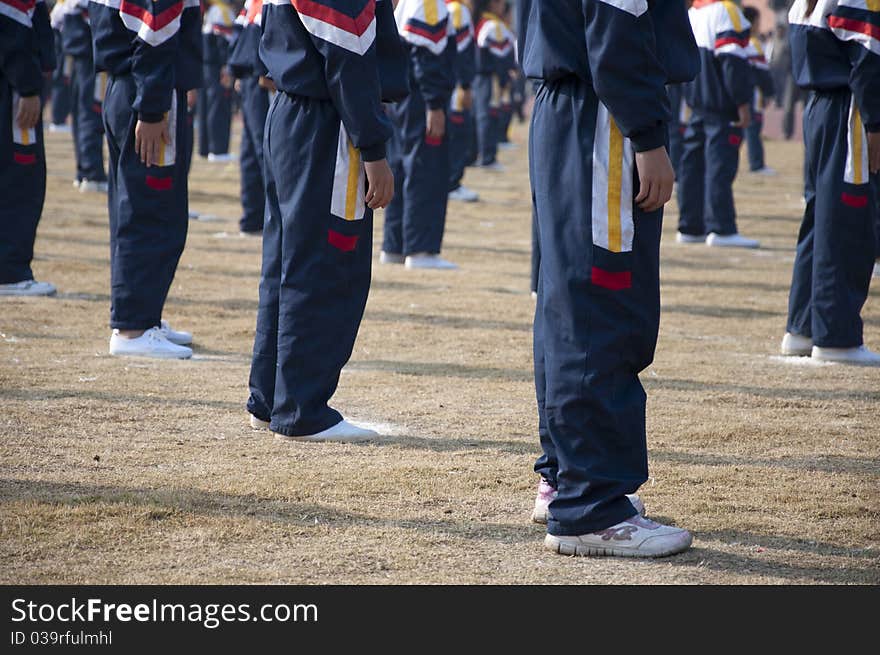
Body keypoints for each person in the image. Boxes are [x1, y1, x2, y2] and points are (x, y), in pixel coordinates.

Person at [520, 0, 699, 558]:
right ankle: (591, 505)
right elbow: (616, 25)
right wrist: (647, 135)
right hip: (605, 114)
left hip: (581, 107)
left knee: (570, 305)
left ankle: (566, 479)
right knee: (602, 308)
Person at [246, 0, 405, 442]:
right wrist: (373, 148)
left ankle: (270, 398)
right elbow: (347, 55)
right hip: (327, 121)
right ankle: (301, 408)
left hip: (293, 109)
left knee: (284, 264)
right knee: (325, 264)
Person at [90, 0, 202, 358]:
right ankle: (133, 326)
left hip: (131, 88)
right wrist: (153, 105)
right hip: (148, 96)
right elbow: (156, 28)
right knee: (152, 214)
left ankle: (142, 315)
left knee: (136, 208)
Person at [781, 0, 880, 365]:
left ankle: (804, 328)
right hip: (850, 110)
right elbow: (869, 53)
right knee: (847, 223)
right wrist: (876, 123)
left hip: (823, 107)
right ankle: (836, 336)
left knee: (819, 219)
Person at [676, 0, 760, 249]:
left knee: (692, 164)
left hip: (697, 103)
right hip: (722, 106)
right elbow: (732, 61)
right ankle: (721, 228)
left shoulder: (693, 12)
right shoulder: (728, 11)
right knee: (719, 166)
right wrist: (743, 103)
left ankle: (691, 226)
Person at [380, 0, 457, 270]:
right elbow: (428, 58)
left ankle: (394, 245)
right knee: (426, 170)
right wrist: (435, 104)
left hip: (402, 100)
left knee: (402, 167)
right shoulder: (429, 4)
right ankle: (420, 249)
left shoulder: (407, 4)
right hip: (421, 103)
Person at [1, 0, 57, 298]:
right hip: (11, 89)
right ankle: (9, 271)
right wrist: (28, 86)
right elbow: (11, 24)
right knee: (20, 178)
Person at [228, 0, 269, 236]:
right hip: (256, 75)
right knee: (258, 150)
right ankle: (256, 217)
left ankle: (254, 217)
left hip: (254, 74)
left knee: (254, 149)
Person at [62, 0, 108, 192]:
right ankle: (91, 172)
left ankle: (84, 170)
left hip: (77, 34)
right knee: (91, 110)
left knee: (82, 108)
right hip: (88, 38)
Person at [472, 0, 512, 171]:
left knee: (482, 115)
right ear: (492, 4)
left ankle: (481, 155)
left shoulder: (482, 22)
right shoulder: (494, 25)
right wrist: (504, 80)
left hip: (479, 77)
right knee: (488, 115)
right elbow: (500, 56)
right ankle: (488, 157)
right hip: (489, 77)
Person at [446, 0, 479, 204]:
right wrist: (465, 85)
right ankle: (452, 183)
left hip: (453, 84)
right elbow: (459, 52)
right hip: (456, 86)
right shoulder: (458, 11)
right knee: (458, 134)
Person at [199, 0, 235, 162]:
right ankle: (218, 149)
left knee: (207, 106)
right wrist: (226, 68)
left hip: (207, 66)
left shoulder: (211, 10)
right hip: (217, 67)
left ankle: (206, 148)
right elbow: (223, 43)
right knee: (218, 106)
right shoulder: (223, 11)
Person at [743, 5, 776, 175]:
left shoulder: (739, 42)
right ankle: (757, 164)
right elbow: (763, 72)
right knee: (754, 130)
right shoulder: (753, 43)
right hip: (754, 95)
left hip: (741, 93)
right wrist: (769, 92)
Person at [48, 0, 72, 132]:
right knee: (62, 79)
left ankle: (58, 119)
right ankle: (58, 119)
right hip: (61, 35)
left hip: (61, 33)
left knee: (62, 79)